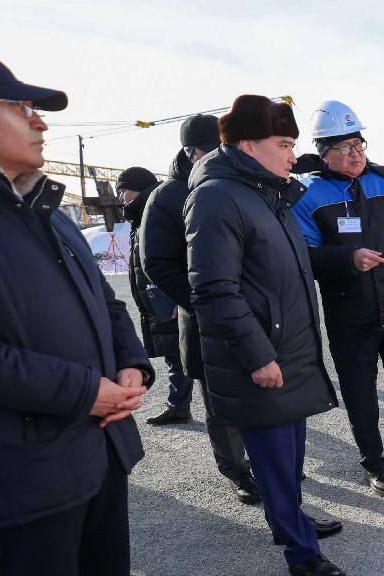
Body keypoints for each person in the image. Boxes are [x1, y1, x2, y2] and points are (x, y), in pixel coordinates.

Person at [0, 47, 153, 575]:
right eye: (20, 107)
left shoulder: (46, 209)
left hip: (98, 451)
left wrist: (131, 363)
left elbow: (105, 301)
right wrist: (86, 392)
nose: (40, 122)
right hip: (25, 471)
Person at [184, 95, 344, 576]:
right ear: (248, 145)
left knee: (289, 459)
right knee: (274, 463)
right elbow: (213, 288)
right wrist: (257, 356)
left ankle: (291, 522)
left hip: (289, 348)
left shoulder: (269, 194)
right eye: (285, 144)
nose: (294, 156)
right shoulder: (216, 197)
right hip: (261, 356)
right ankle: (302, 556)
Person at [291, 100, 384, 497]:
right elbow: (304, 257)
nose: (355, 153)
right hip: (350, 314)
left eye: (359, 144)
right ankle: (374, 464)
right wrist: (348, 258)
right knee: (361, 397)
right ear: (324, 152)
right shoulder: (308, 195)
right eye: (345, 148)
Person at [139, 115, 261, 505]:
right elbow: (155, 261)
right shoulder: (168, 195)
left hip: (253, 313)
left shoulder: (242, 183)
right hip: (206, 320)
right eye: (215, 148)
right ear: (191, 152)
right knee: (219, 400)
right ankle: (237, 470)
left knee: (263, 392)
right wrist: (199, 300)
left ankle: (267, 460)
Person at [118, 166, 186, 427]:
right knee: (174, 353)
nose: (120, 197)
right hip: (160, 299)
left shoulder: (156, 210)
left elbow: (179, 255)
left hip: (171, 297)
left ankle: (185, 406)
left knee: (185, 353)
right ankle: (178, 405)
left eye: (123, 190)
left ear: (138, 189)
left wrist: (181, 297)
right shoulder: (140, 215)